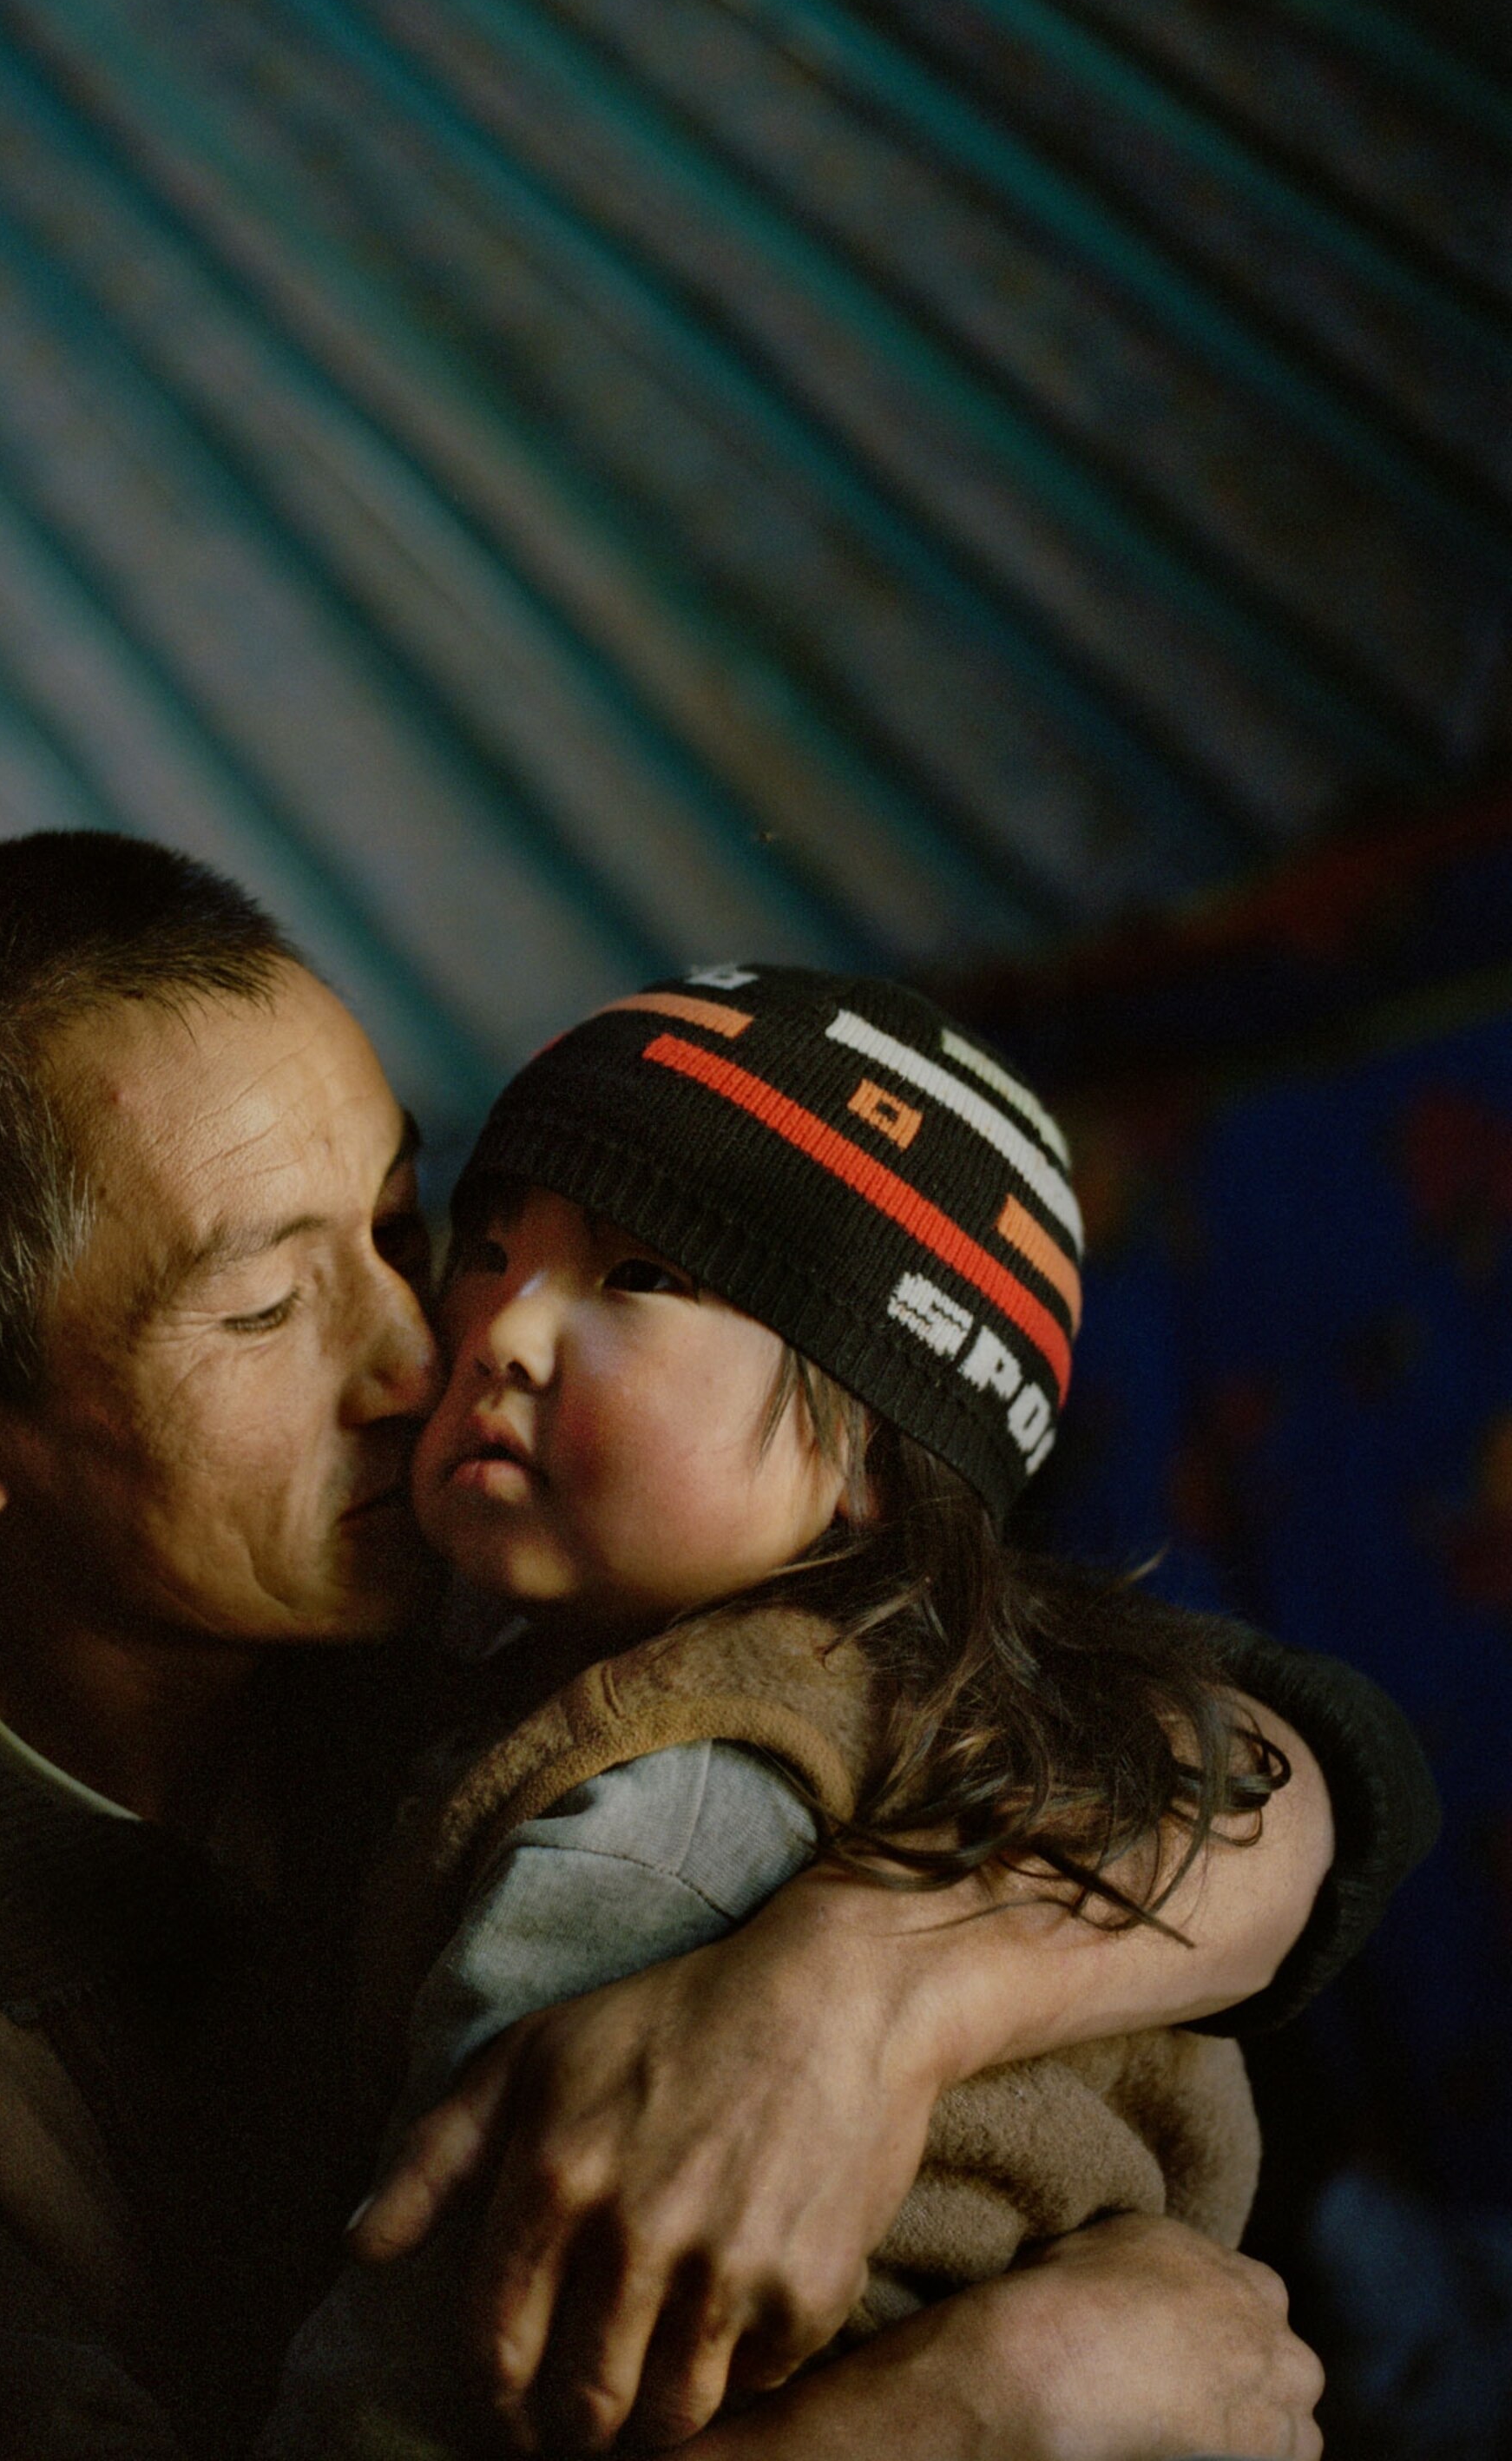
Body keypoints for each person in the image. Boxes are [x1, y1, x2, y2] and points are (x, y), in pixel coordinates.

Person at [0, 835, 1436, 2461]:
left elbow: (1312, 1769)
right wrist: (979, 2417)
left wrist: (865, 1989)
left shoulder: (488, 1602)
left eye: (406, 1225)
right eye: (258, 1312)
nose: (427, 1359)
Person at [261, 966, 1299, 2459]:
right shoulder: (994, 1719)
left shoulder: (661, 1802)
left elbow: (443, 2353)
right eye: (487, 1253)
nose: (502, 1331)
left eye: (638, 1279)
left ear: (874, 1446)